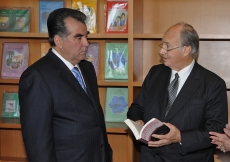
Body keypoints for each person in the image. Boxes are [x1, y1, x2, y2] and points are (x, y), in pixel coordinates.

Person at [19, 8, 112, 162]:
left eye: (86, 36)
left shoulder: (87, 68)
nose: (86, 43)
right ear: (58, 41)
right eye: (78, 37)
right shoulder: (37, 77)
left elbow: (95, 120)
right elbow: (38, 145)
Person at [127, 22, 228, 162]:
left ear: (186, 50)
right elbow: (137, 107)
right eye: (162, 45)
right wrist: (138, 121)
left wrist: (180, 136)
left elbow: (216, 130)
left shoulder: (213, 84)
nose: (161, 51)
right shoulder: (155, 73)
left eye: (167, 46)